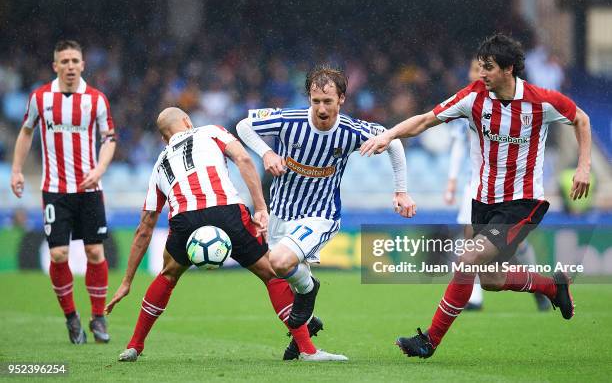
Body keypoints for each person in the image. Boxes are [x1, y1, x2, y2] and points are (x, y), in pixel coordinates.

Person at [361, 34, 591, 358]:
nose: (481, 74)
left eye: (488, 68)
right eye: (480, 67)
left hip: (522, 203)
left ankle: (429, 340)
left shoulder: (540, 101)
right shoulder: (473, 98)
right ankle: (552, 287)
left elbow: (581, 118)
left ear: (509, 69)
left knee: (467, 259)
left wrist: (583, 166)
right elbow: (427, 120)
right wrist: (389, 133)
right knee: (493, 279)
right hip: (483, 202)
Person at [105, 107, 347, 362]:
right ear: (187, 121)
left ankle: (134, 345)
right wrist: (261, 208)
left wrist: (127, 281)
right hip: (226, 211)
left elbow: (145, 226)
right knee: (271, 274)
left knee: (168, 275)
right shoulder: (210, 131)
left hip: (184, 220)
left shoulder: (160, 163)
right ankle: (307, 350)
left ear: (164, 138)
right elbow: (243, 160)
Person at [236, 65, 416, 352]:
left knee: (281, 263)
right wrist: (267, 152)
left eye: (328, 101)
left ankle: (310, 290)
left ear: (341, 99)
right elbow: (243, 126)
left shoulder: (351, 131)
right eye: (316, 101)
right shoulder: (288, 120)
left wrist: (401, 191)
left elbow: (392, 141)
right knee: (282, 271)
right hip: (281, 213)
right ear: (309, 97)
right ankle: (307, 326)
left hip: (320, 214)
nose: (321, 108)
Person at [11, 40, 116, 344]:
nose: (70, 66)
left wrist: (99, 170)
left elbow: (110, 139)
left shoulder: (96, 100)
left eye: (75, 60)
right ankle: (72, 318)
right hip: (55, 190)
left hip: (90, 188)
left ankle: (98, 318)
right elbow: (26, 131)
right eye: (64, 61)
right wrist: (17, 170)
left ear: (83, 65)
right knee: (58, 255)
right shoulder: (40, 98)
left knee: (95, 252)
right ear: (55, 65)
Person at [444, 58, 550, 311]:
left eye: (481, 70)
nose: (477, 74)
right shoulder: (465, 102)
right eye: (473, 70)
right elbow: (458, 144)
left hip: (508, 186)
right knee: (471, 238)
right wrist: (451, 180)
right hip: (476, 184)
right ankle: (475, 297)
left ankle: (538, 285)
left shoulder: (512, 103)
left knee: (514, 246)